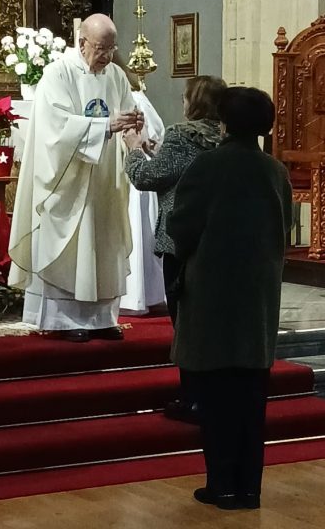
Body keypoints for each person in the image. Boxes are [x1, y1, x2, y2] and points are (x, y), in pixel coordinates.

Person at [167, 86, 292, 510]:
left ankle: (221, 485)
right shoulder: (275, 170)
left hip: (213, 292)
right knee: (252, 398)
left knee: (217, 396)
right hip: (257, 293)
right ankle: (249, 488)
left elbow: (181, 225)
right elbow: (284, 228)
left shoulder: (208, 165)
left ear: (224, 123)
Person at [8, 13, 143, 343]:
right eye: (101, 48)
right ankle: (65, 320)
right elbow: (56, 129)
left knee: (104, 241)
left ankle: (102, 317)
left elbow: (125, 117)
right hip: (68, 179)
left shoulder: (116, 76)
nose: (108, 56)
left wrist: (136, 132)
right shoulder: (58, 74)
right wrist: (105, 126)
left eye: (112, 48)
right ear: (81, 42)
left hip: (105, 176)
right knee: (71, 242)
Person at [122, 75, 228, 423]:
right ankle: (214, 395)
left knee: (186, 324)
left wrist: (135, 149)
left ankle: (193, 398)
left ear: (194, 102)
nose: (182, 103)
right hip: (217, 240)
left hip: (181, 242)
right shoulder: (226, 137)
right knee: (211, 322)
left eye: (185, 97)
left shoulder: (183, 134)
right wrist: (157, 151)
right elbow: (180, 169)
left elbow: (148, 179)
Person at [113, 54, 167, 316]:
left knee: (135, 229)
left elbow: (155, 132)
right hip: (114, 172)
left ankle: (136, 295)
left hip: (133, 174)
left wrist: (138, 141)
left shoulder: (133, 96)